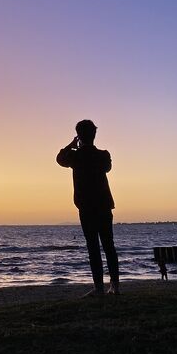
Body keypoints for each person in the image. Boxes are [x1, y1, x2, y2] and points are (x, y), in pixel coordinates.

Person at [57, 119, 120, 296]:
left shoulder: (76, 156)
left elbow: (59, 159)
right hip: (104, 205)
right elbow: (107, 167)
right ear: (94, 135)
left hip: (86, 207)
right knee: (109, 246)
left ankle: (99, 287)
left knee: (93, 247)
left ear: (79, 135)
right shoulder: (103, 155)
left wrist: (71, 144)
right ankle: (114, 285)